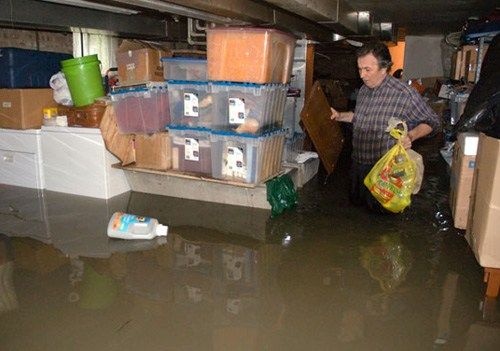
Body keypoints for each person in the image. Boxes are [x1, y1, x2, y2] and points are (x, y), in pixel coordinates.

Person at [330, 41, 441, 212]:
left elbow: (433, 121)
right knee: (356, 213)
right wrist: (339, 116)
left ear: (384, 68)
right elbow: (359, 118)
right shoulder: (364, 91)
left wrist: (410, 136)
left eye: (367, 70)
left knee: (381, 221)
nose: (362, 75)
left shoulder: (404, 93)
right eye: (359, 69)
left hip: (385, 171)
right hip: (358, 165)